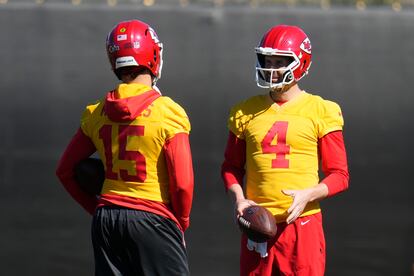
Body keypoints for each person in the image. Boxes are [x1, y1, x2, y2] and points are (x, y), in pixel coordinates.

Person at [56, 19, 194, 276]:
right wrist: (180, 223)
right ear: (153, 55)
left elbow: (65, 171)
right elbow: (183, 183)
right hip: (154, 217)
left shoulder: (96, 112)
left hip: (107, 218)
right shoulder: (168, 113)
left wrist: (97, 209)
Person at [221, 25, 349, 275]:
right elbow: (231, 166)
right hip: (257, 226)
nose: (271, 68)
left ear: (300, 63)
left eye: (279, 61)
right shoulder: (244, 111)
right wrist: (239, 198)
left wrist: (308, 195)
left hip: (302, 226)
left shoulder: (321, 110)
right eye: (267, 60)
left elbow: (340, 175)